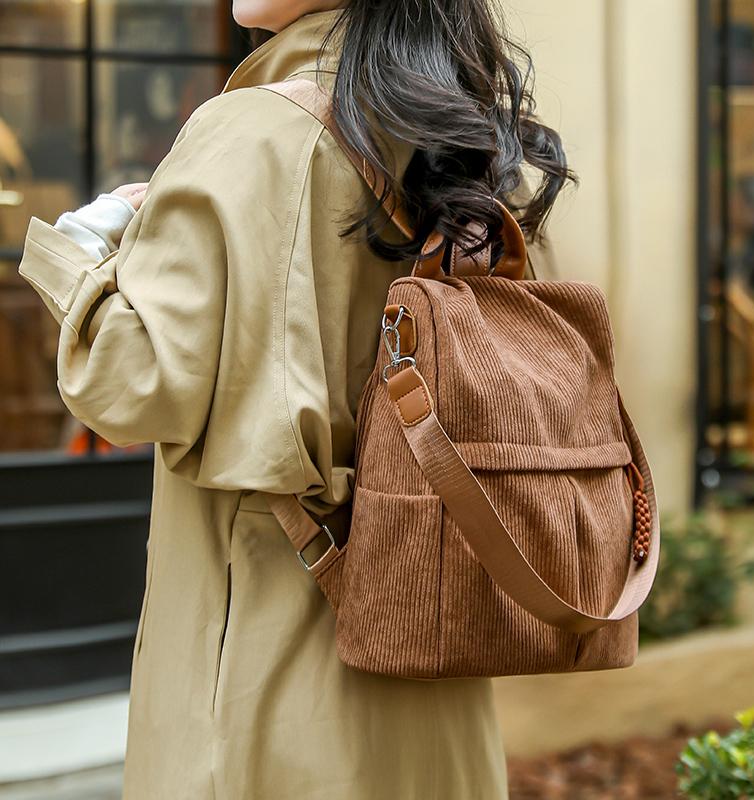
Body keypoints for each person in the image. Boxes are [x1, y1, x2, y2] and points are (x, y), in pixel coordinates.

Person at [18, 2, 572, 798]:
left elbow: (134, 382)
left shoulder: (250, 130)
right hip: (429, 647)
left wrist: (78, 249)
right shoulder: (454, 135)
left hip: (270, 677)